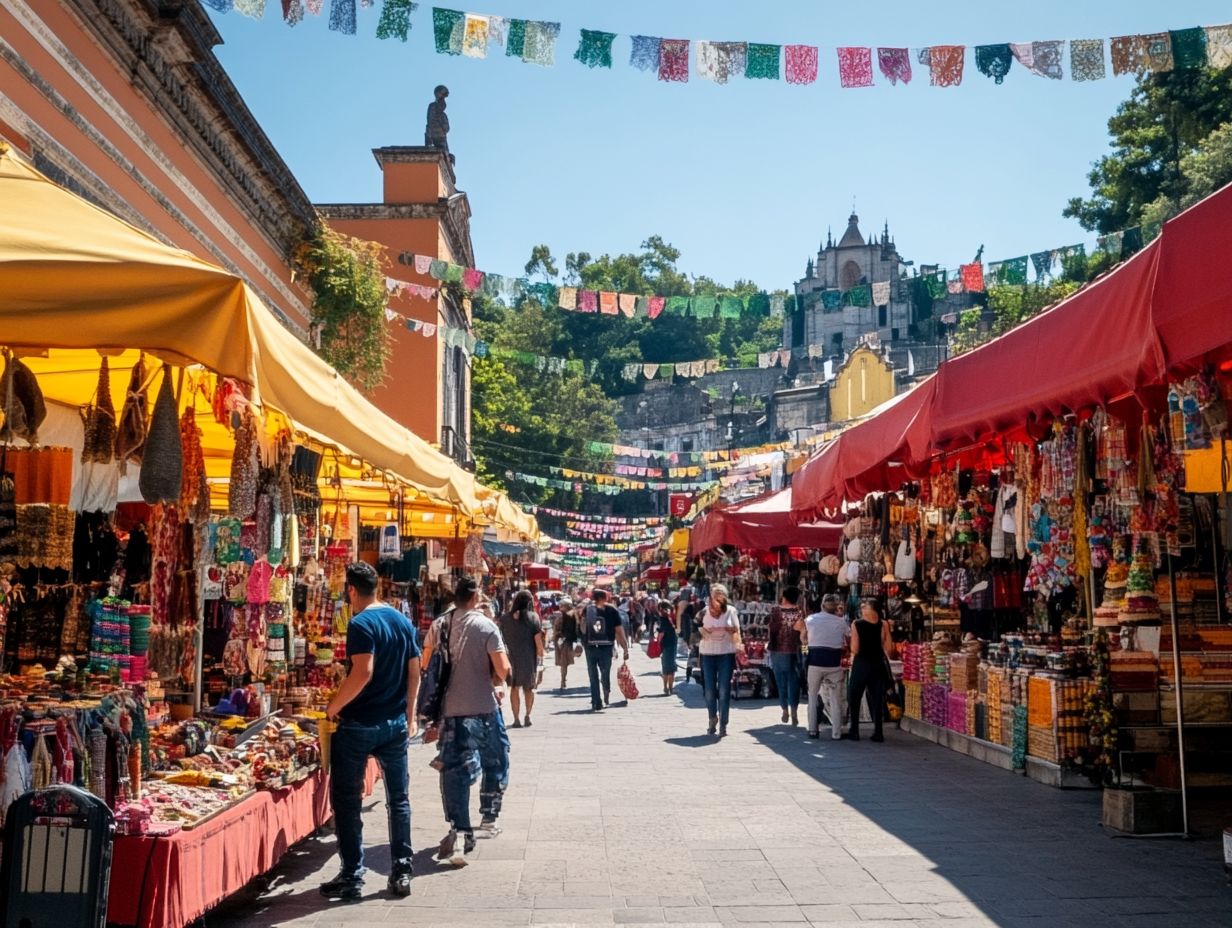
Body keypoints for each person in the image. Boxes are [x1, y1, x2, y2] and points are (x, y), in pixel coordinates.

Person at [322, 563, 421, 900]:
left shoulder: (361, 623)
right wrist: (410, 715)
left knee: (347, 800)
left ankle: (352, 874)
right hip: (394, 723)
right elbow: (415, 671)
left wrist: (334, 706)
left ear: (352, 590)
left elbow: (363, 672)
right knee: (399, 799)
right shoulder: (402, 621)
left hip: (359, 724)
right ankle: (403, 870)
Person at [437, 577, 513, 867]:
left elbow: (428, 664)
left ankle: (460, 830)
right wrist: (489, 681)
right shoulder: (485, 625)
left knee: (454, 770)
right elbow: (503, 669)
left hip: (450, 710)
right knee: (495, 761)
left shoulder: (438, 626)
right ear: (475, 597)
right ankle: (488, 818)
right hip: (483, 709)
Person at [797, 594, 849, 740]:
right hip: (833, 664)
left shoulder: (810, 620)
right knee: (835, 699)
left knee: (813, 697)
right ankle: (836, 733)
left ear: (822, 605)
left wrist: (804, 652)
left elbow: (804, 641)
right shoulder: (841, 622)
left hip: (815, 663)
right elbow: (849, 638)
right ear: (836, 608)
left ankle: (813, 730)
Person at [698, 583, 741, 738]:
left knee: (724, 690)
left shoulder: (731, 611)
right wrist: (703, 632)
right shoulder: (704, 611)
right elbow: (695, 629)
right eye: (713, 595)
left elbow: (736, 631)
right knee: (709, 690)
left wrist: (735, 640)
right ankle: (712, 718)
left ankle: (723, 723)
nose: (715, 598)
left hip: (725, 654)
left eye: (718, 595)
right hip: (707, 654)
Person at [848, 599, 893, 742]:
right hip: (877, 664)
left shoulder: (856, 624)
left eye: (863, 606)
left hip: (861, 664)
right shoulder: (884, 624)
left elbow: (855, 649)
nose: (861, 608)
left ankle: (854, 730)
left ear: (870, 608)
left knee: (854, 696)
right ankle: (878, 732)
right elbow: (889, 649)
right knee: (877, 698)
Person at [499, 590, 545, 728]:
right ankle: (527, 716)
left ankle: (516, 719)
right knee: (528, 688)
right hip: (528, 658)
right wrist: (541, 656)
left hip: (510, 658)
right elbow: (538, 642)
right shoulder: (533, 618)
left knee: (514, 687)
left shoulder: (504, 619)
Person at [581, 589, 629, 711]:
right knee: (605, 672)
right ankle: (606, 691)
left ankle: (596, 701)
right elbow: (619, 630)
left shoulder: (587, 609)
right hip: (606, 646)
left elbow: (582, 628)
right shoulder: (612, 610)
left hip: (590, 646)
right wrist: (625, 647)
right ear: (604, 598)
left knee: (592, 675)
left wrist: (583, 641)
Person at [767, 587, 804, 726]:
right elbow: (803, 632)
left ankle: (784, 709)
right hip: (794, 650)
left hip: (777, 649)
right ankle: (794, 710)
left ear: (784, 596)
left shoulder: (776, 610)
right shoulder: (800, 612)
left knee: (780, 680)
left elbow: (771, 629)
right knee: (793, 680)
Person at [553, 597, 579, 690]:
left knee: (564, 663)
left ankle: (563, 680)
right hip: (567, 641)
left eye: (562, 605)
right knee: (564, 663)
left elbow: (561, 629)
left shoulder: (566, 615)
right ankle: (563, 680)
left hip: (565, 641)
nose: (560, 607)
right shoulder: (574, 614)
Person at [654, 599, 679, 696]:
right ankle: (670, 689)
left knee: (666, 667)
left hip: (666, 646)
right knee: (671, 668)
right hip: (670, 645)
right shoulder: (666, 620)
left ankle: (666, 688)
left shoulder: (662, 619)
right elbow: (661, 634)